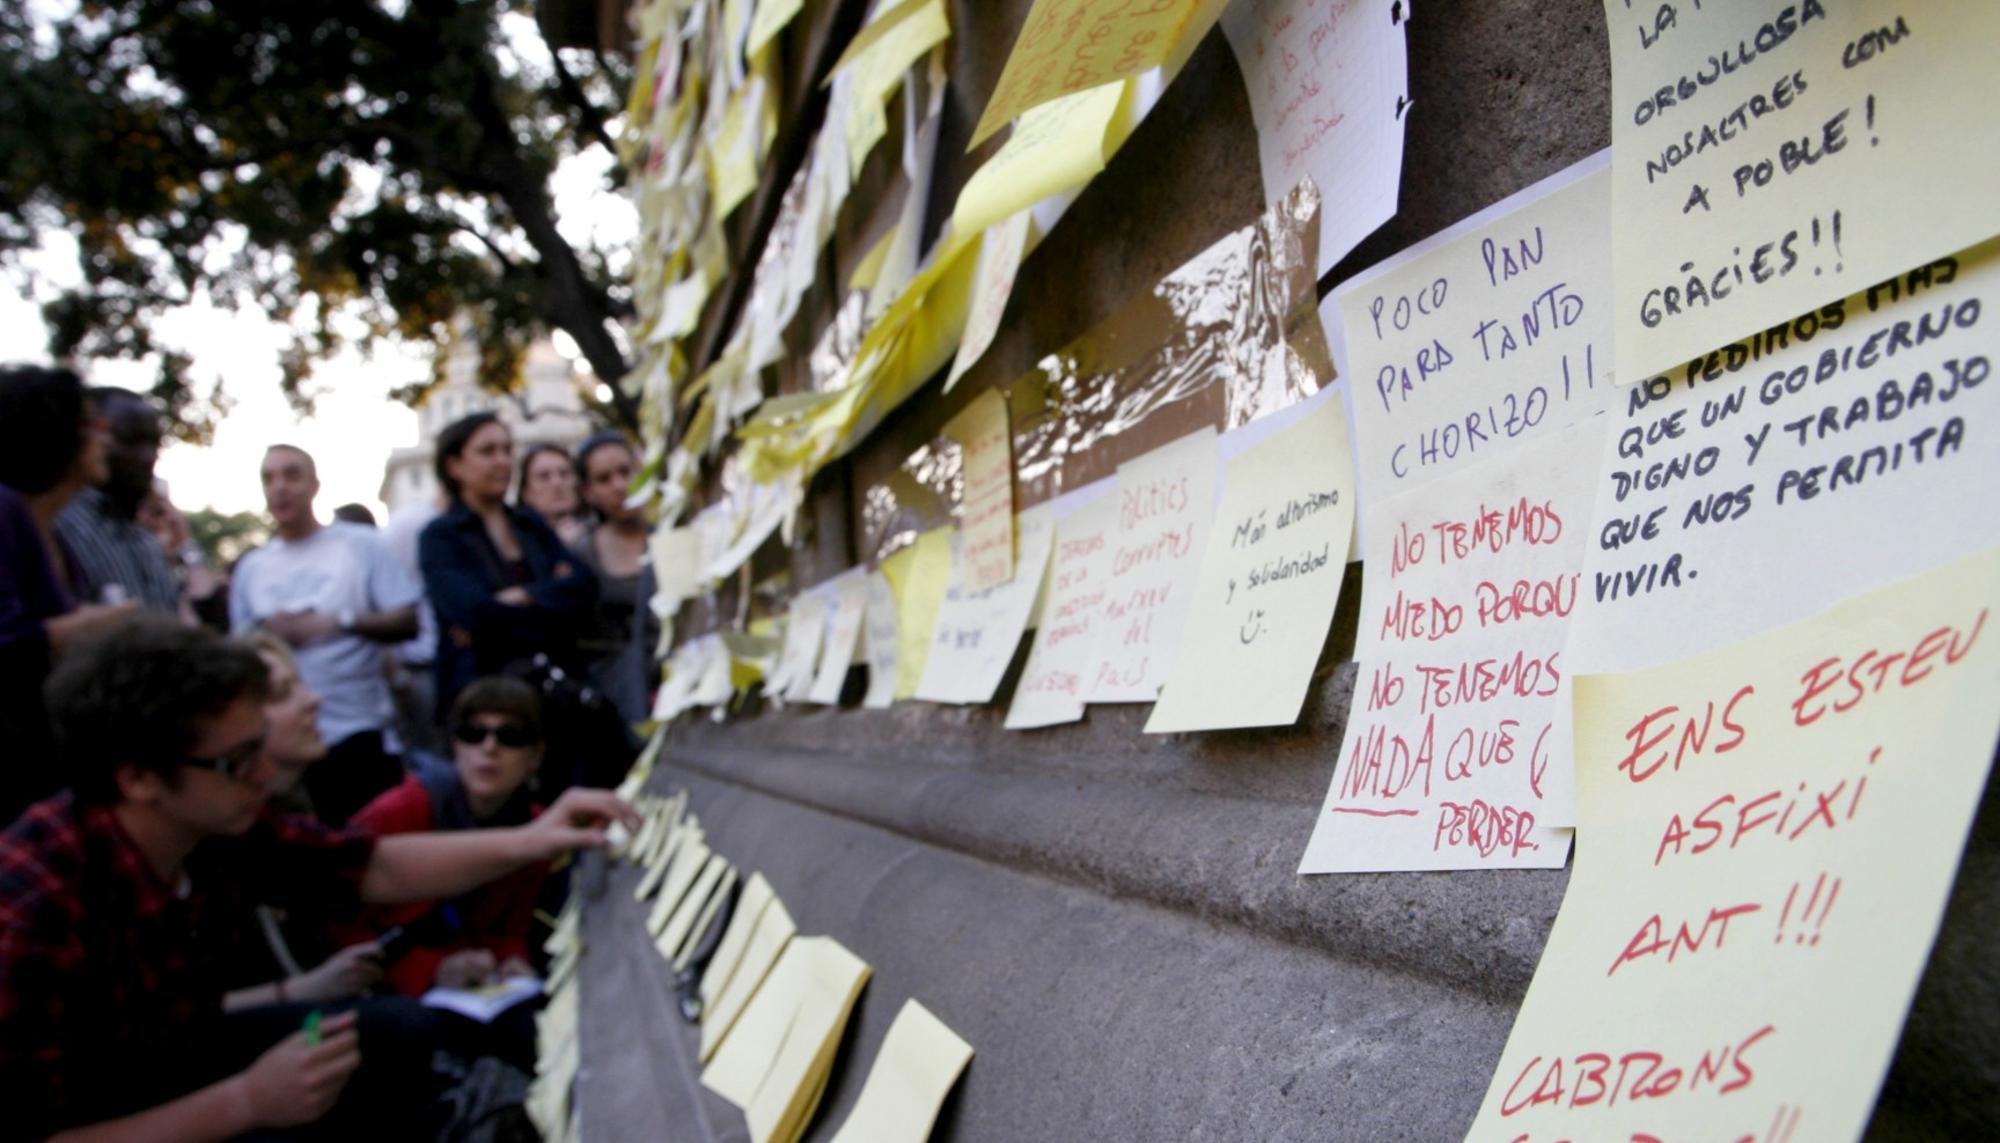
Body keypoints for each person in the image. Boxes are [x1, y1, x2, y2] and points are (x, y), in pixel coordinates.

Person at [0, 616, 637, 1141]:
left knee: (400, 1035)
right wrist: (246, 1102)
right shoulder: (30, 913)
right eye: (236, 761)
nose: (261, 774)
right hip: (111, 1113)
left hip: (173, 1050)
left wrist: (533, 838)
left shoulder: (215, 821)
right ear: (136, 776)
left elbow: (372, 865)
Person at [231, 445, 422, 825]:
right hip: (279, 749)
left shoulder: (360, 545)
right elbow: (240, 658)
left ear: (315, 485)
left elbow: (407, 620)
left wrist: (337, 622)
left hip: (358, 734)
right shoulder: (251, 568)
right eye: (269, 478)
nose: (280, 487)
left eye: (291, 475)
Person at [345, 677, 552, 1001]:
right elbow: (337, 922)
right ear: (456, 745)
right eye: (473, 733)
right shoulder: (401, 810)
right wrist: (429, 969)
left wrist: (513, 961)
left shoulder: (537, 828)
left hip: (476, 987)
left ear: (536, 756)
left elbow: (510, 930)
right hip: (385, 984)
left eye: (510, 737)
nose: (489, 748)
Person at [0, 365, 137, 821]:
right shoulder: (3, 512)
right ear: (54, 431)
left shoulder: (55, 536)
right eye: (94, 425)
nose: (107, 439)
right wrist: (109, 623)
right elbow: (8, 643)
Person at [419, 413, 597, 721]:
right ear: (454, 465)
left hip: (557, 693)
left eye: (506, 449)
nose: (502, 461)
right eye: (487, 451)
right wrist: (550, 601)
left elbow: (584, 587)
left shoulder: (529, 524)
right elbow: (475, 614)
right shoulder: (442, 536)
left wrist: (521, 597)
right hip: (484, 701)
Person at [54, 386, 182, 611]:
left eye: (154, 444)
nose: (147, 457)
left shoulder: (147, 544)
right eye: (131, 440)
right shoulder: (60, 529)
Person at [573, 432, 658, 728]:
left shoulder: (673, 536)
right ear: (588, 492)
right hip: (617, 704)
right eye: (604, 479)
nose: (620, 486)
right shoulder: (581, 556)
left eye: (626, 472)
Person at [516, 441, 591, 551]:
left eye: (564, 474)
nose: (557, 483)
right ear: (526, 492)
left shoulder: (600, 535)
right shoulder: (516, 544)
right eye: (544, 476)